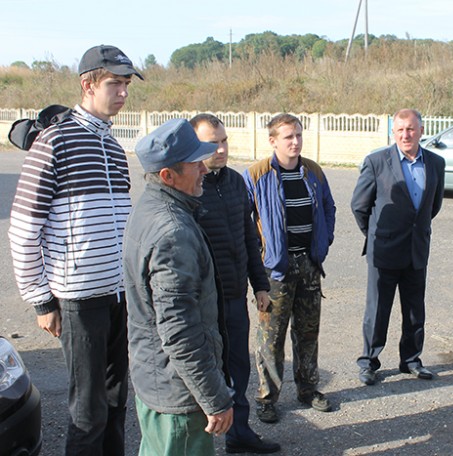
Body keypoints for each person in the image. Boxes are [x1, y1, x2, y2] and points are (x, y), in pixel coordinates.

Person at [8, 44, 142, 455]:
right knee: (88, 409)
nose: (122, 93)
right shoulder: (55, 143)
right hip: (78, 299)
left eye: (125, 85)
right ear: (88, 85)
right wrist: (41, 300)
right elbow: (23, 229)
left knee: (118, 401)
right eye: (114, 84)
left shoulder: (114, 149)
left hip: (117, 296)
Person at [123, 118, 234, 455]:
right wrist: (215, 399)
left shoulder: (149, 208)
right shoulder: (173, 233)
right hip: (179, 398)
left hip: (158, 383)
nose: (204, 169)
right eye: (194, 163)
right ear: (168, 176)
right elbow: (180, 332)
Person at [190, 114, 281, 454]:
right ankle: (198, 442)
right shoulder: (189, 187)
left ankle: (238, 433)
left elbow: (248, 236)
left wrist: (259, 284)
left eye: (224, 140)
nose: (222, 148)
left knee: (238, 368)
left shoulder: (235, 182)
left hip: (234, 298)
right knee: (204, 372)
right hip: (202, 304)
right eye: (213, 142)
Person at [242, 113, 336, 424]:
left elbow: (328, 207)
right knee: (271, 336)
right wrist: (260, 260)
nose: (295, 142)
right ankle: (267, 397)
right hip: (275, 272)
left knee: (308, 332)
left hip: (309, 265)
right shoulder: (256, 175)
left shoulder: (313, 172)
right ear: (273, 141)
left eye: (298, 135)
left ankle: (308, 389)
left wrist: (322, 243)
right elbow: (245, 221)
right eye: (287, 137)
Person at [351, 108, 445, 386]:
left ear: (421, 130)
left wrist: (416, 230)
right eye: (400, 129)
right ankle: (369, 362)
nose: (406, 134)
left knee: (415, 310)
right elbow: (359, 205)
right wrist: (377, 234)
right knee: (377, 309)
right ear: (393, 133)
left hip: (416, 249)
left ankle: (411, 359)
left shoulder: (436, 164)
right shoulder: (377, 161)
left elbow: (433, 205)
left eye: (411, 129)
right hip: (384, 250)